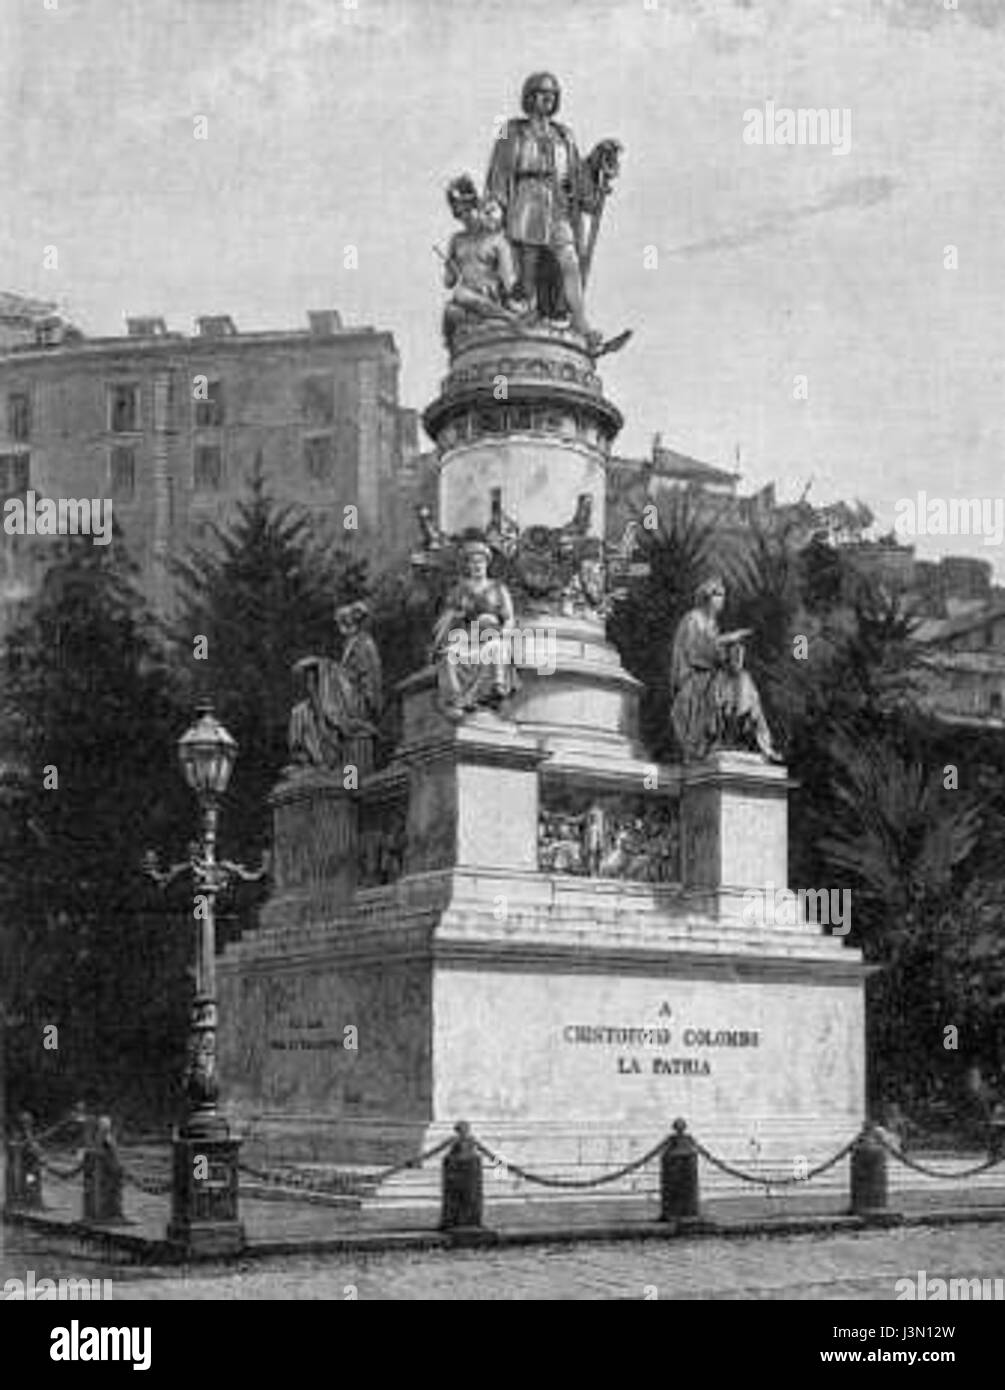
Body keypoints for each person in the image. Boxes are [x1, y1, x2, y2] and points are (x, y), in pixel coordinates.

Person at [486, 72, 606, 342]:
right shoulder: (511, 129)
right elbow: (500, 170)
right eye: (541, 93)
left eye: (552, 95)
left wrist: (597, 165)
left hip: (558, 205)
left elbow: (577, 173)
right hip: (527, 201)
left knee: (570, 263)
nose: (547, 99)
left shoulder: (565, 134)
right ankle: (524, 319)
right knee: (527, 268)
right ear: (529, 97)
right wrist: (495, 204)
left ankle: (580, 322)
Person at [288, 601, 383, 771]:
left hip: (357, 702)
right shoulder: (350, 644)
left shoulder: (364, 643)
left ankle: (350, 785)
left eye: (344, 622)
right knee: (301, 712)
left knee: (352, 779)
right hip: (343, 698)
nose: (341, 627)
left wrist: (319, 664)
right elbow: (342, 675)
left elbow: (364, 683)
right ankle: (312, 760)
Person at [432, 536, 517, 719]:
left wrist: (503, 633)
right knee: (449, 656)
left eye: (481, 562)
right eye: (473, 562)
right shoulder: (459, 590)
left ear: (487, 564)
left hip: (491, 637)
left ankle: (495, 691)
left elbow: (509, 618)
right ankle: (456, 700)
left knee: (495, 648)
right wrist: (457, 617)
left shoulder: (498, 588)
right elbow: (447, 617)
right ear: (467, 566)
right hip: (467, 639)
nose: (477, 566)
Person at [441, 177, 527, 348]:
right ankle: (505, 319)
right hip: (466, 304)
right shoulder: (456, 240)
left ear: (476, 207)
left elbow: (509, 280)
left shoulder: (496, 240)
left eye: (468, 211)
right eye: (460, 214)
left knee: (461, 294)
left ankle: (506, 317)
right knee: (452, 310)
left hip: (489, 297)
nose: (466, 218)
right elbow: (448, 282)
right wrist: (450, 268)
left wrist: (516, 298)